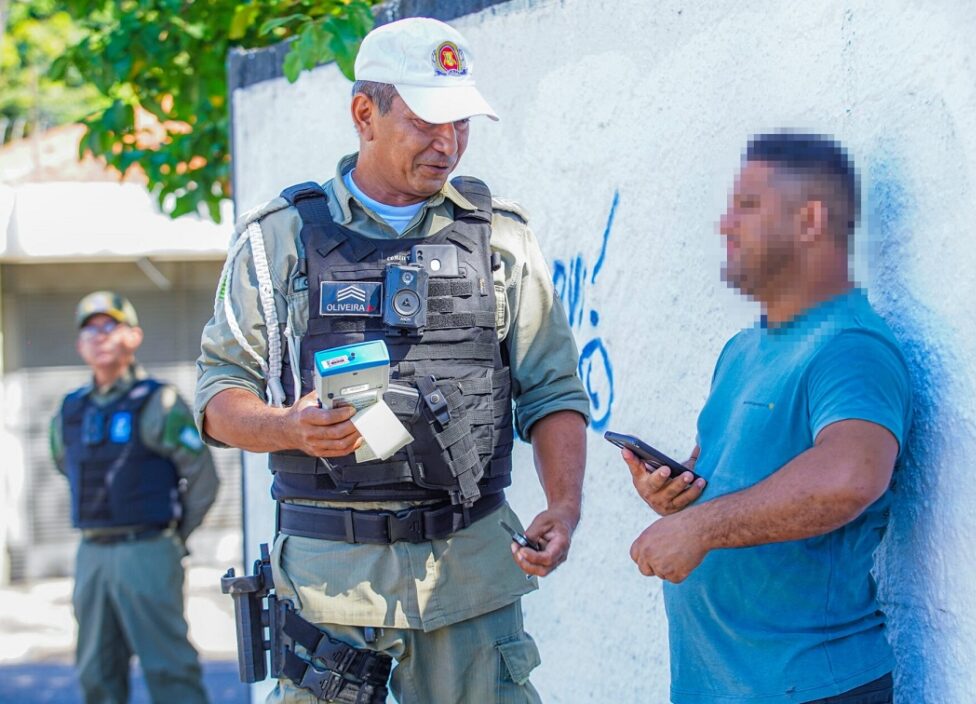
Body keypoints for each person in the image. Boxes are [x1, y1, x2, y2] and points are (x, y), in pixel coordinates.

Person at [197, 17, 589, 704]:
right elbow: (218, 396)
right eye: (426, 122)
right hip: (330, 597)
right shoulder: (278, 240)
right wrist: (287, 428)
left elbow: (552, 388)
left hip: (470, 585)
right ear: (364, 114)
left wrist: (564, 505)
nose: (448, 143)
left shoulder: (501, 239)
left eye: (461, 123)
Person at [622, 133, 912, 704]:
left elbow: (851, 477)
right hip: (718, 685)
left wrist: (699, 529)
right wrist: (679, 496)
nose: (726, 225)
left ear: (810, 221)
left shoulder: (851, 346)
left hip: (808, 687)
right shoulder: (742, 349)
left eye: (749, 206)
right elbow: (739, 480)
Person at [50, 291, 219, 704]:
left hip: (147, 550)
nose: (99, 336)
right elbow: (64, 465)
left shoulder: (158, 401)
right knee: (96, 672)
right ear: (79, 344)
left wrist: (173, 537)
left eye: (110, 326)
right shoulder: (70, 409)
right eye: (89, 330)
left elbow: (203, 478)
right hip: (92, 553)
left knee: (170, 671)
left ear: (134, 336)